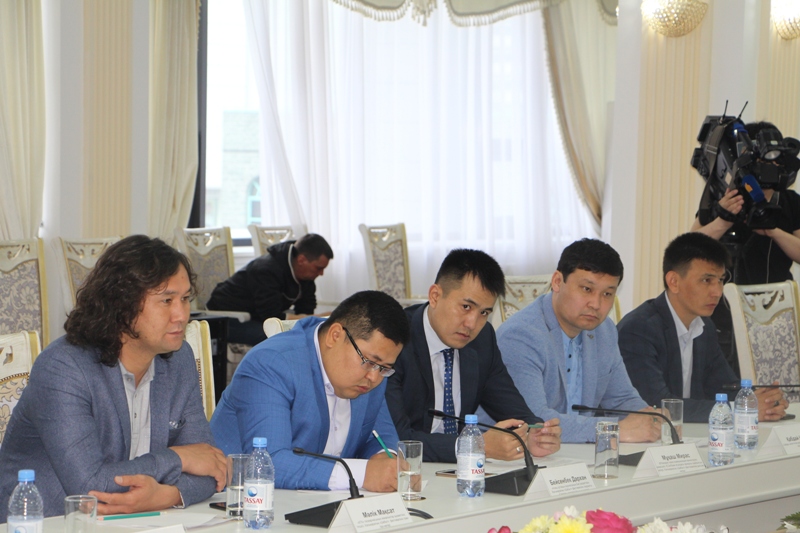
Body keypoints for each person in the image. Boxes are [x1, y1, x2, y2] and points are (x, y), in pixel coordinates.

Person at [0, 236, 226, 520]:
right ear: (122, 305)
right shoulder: (63, 367)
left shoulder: (178, 360)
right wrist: (180, 458)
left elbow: (212, 467)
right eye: (166, 300)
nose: (181, 315)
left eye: (185, 299)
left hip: (135, 522)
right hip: (49, 523)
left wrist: (166, 495)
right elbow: (89, 486)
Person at [210, 290, 408, 492]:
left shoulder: (371, 375)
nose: (374, 377)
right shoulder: (270, 363)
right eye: (369, 362)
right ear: (335, 336)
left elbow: (379, 436)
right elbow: (269, 462)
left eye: (384, 368)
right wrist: (362, 474)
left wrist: (385, 462)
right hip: (240, 501)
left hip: (320, 500)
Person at [384, 249, 562, 463]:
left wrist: (534, 432)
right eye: (466, 307)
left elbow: (510, 405)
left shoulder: (482, 339)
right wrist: (474, 445)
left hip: (462, 471)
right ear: (435, 296)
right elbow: (396, 437)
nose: (472, 324)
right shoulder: (395, 340)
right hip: (406, 469)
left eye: (484, 313)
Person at [497, 239, 661, 444]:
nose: (596, 304)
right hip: (523, 454)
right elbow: (534, 420)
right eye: (586, 289)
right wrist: (611, 429)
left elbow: (621, 400)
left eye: (607, 294)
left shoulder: (605, 331)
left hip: (578, 452)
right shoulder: (521, 335)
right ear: (557, 281)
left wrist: (651, 419)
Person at [617, 232, 788, 423]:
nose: (717, 292)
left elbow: (725, 387)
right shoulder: (638, 330)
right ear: (674, 281)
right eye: (707, 280)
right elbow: (656, 405)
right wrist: (741, 409)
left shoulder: (704, 326)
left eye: (721, 280)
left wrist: (763, 400)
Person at [207, 233, 333, 345]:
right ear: (301, 260)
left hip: (256, 317)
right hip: (225, 318)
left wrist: (314, 320)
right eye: (318, 268)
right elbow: (271, 316)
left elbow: (306, 310)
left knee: (309, 333)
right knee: (281, 338)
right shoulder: (266, 270)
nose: (321, 273)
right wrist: (317, 317)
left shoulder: (306, 276)